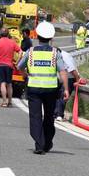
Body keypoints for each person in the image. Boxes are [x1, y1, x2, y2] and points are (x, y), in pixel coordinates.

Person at [17, 21, 69, 154]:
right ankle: (47, 142)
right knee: (49, 117)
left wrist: (26, 76)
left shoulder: (31, 52)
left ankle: (39, 144)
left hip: (34, 88)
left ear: (37, 36)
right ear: (51, 38)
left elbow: (19, 66)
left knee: (35, 116)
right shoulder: (55, 53)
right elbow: (63, 71)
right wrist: (66, 89)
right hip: (51, 90)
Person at [0, 28, 22, 107]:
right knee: (9, 84)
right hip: (9, 65)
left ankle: (4, 102)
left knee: (2, 84)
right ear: (8, 34)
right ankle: (10, 102)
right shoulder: (12, 43)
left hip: (0, 65)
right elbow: (20, 51)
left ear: (0, 34)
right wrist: (17, 61)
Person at [54, 49, 87, 121]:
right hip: (62, 77)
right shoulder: (58, 55)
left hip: (70, 78)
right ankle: (55, 113)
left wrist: (78, 79)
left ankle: (59, 115)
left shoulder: (64, 56)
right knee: (57, 95)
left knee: (63, 96)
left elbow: (72, 69)